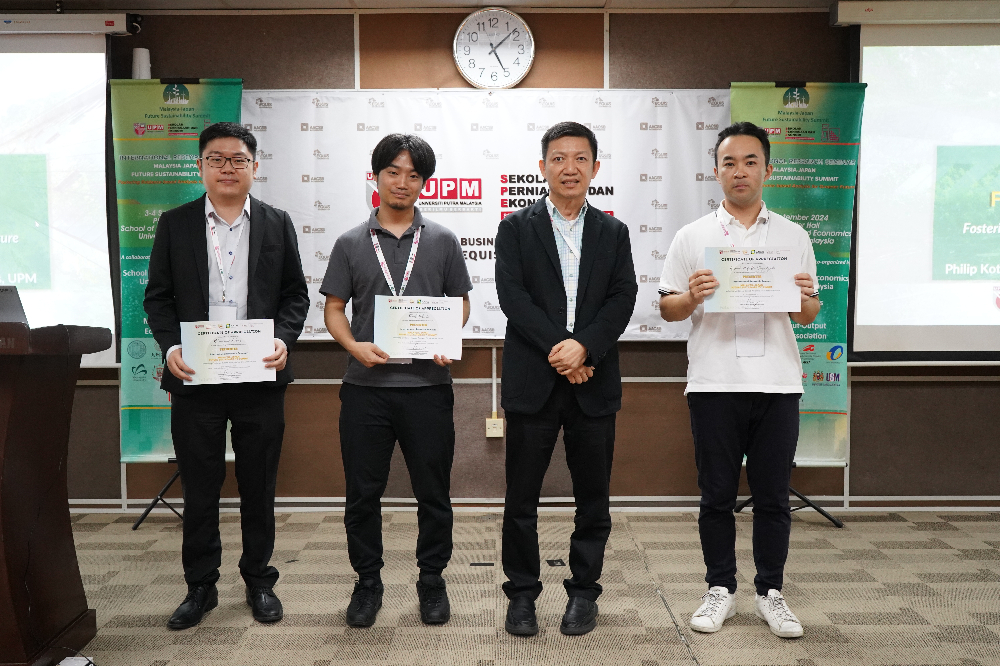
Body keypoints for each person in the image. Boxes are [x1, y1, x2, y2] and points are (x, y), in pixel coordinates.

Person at [144, 122, 309, 630]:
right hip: (197, 375)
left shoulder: (278, 223)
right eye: (216, 159)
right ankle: (201, 585)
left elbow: (295, 294)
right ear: (200, 167)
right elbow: (158, 298)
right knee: (201, 486)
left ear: (255, 167)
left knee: (259, 484)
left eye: (238, 159)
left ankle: (259, 580)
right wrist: (171, 346)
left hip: (259, 374)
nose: (228, 168)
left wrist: (284, 338)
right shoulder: (175, 224)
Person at [658, 121, 819, 639]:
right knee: (716, 496)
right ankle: (720, 587)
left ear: (768, 169)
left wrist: (802, 298)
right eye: (729, 162)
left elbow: (809, 313)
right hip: (714, 383)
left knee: (773, 497)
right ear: (716, 170)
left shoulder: (793, 236)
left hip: (778, 384)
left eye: (751, 161)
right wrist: (694, 295)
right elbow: (668, 308)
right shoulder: (692, 236)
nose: (740, 171)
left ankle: (771, 591)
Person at [320, 134, 472, 628]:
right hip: (366, 390)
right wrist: (353, 346)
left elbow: (460, 301)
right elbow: (334, 308)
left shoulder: (443, 240)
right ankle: (368, 582)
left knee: (434, 492)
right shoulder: (350, 242)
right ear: (376, 176)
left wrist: (448, 336)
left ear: (424, 183)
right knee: (362, 494)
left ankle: (432, 580)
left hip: (428, 388)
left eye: (413, 175)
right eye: (393, 172)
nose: (402, 182)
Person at [495, 121, 637, 637]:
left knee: (593, 499)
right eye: (558, 158)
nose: (569, 168)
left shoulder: (613, 232)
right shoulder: (515, 228)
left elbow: (623, 296)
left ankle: (583, 594)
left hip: (593, 384)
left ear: (595, 168)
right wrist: (565, 349)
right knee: (521, 500)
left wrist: (586, 347)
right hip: (534, 383)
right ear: (543, 167)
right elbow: (513, 297)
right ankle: (522, 595)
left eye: (580, 159)